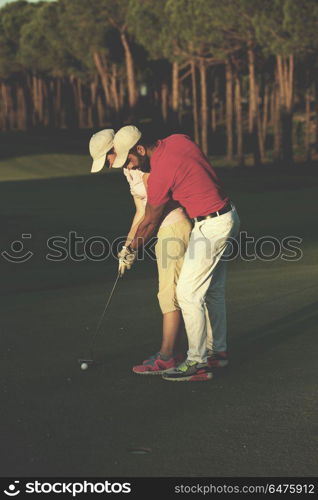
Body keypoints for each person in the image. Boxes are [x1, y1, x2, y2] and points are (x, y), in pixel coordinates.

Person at [113, 127, 240, 382]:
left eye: (130, 160)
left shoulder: (160, 174)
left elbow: (150, 221)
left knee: (186, 293)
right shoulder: (178, 139)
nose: (131, 167)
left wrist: (130, 250)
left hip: (213, 226)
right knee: (212, 290)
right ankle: (218, 353)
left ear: (140, 149)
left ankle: (197, 362)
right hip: (227, 215)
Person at [114, 126, 194, 375]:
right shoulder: (130, 170)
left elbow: (152, 215)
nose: (119, 165)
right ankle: (172, 351)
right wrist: (127, 248)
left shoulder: (145, 168)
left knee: (169, 292)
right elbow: (139, 213)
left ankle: (168, 356)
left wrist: (134, 248)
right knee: (167, 292)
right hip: (160, 232)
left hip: (173, 229)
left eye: (112, 158)